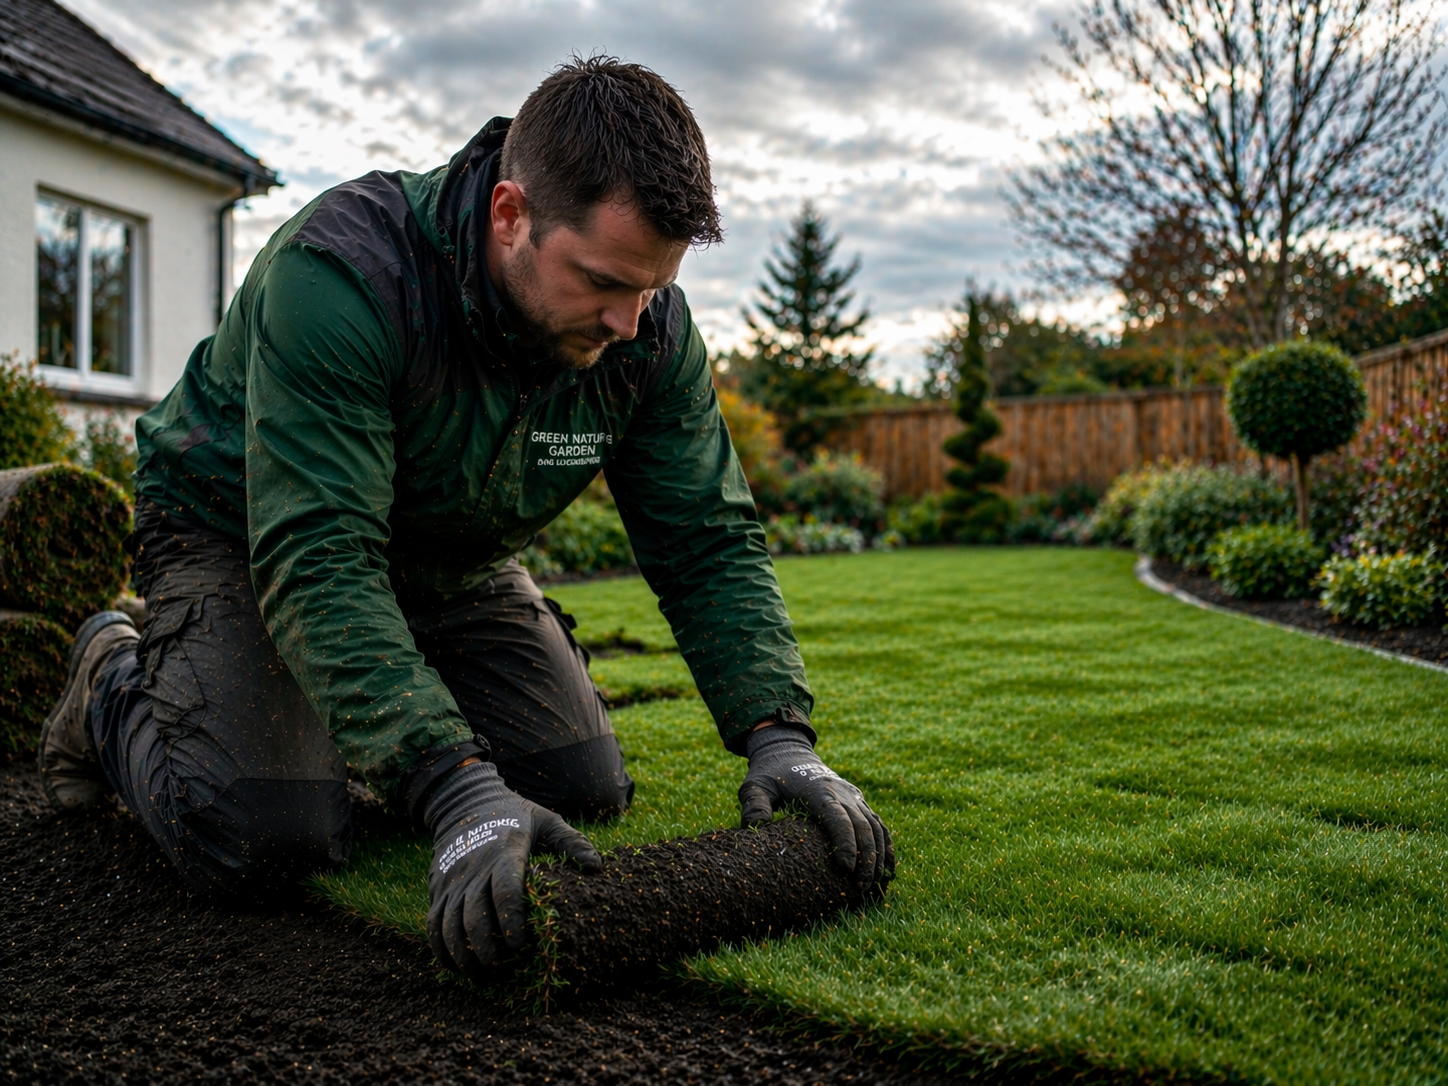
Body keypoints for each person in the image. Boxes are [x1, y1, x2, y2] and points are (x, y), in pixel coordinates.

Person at [37, 56, 893, 979]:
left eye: (653, 287)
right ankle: (111, 677)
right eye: (604, 281)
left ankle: (348, 706)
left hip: (447, 559)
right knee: (264, 833)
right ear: (510, 215)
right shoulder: (340, 277)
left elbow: (706, 538)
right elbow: (317, 553)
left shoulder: (645, 335)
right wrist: (452, 786)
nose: (630, 321)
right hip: (238, 530)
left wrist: (781, 739)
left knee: (579, 788)